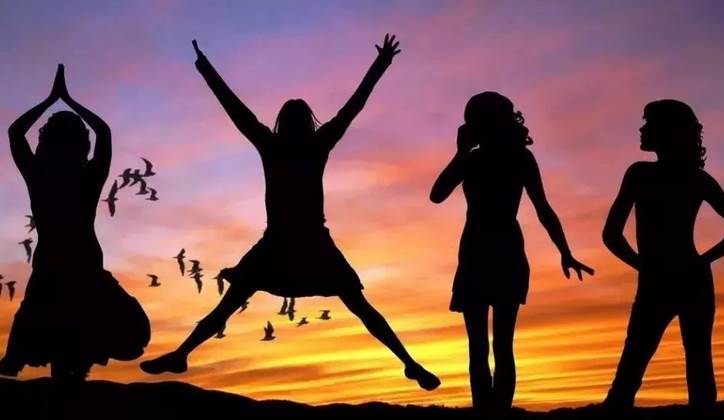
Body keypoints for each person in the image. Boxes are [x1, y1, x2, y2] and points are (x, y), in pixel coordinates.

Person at [140, 35, 440, 391]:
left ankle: (181, 354)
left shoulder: (276, 144)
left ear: (283, 123)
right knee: (357, 306)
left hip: (293, 242)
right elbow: (351, 107)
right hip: (297, 242)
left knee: (233, 303)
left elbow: (237, 110)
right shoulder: (312, 143)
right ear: (306, 123)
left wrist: (205, 68)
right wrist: (380, 65)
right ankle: (409, 363)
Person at [430, 92, 593, 413]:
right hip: (488, 253)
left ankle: (493, 413)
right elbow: (436, 195)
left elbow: (543, 209)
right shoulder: (492, 159)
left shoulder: (507, 159)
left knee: (487, 347)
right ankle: (492, 413)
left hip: (492, 252)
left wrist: (565, 251)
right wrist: (461, 153)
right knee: (492, 347)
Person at [0, 65, 150, 382]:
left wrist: (52, 99)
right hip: (78, 266)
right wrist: (68, 99)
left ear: (46, 142)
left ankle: (22, 363)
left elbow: (15, 133)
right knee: (75, 347)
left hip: (58, 268)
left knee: (61, 342)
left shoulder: (39, 174)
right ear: (82, 144)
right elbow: (104, 133)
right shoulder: (86, 175)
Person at [603, 99, 724, 410]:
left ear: (667, 131)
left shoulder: (640, 174)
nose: (642, 129)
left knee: (632, 369)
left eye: (648, 123)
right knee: (696, 364)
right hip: (689, 277)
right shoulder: (695, 179)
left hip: (661, 279)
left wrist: (642, 264)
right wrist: (704, 260)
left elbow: (611, 235)